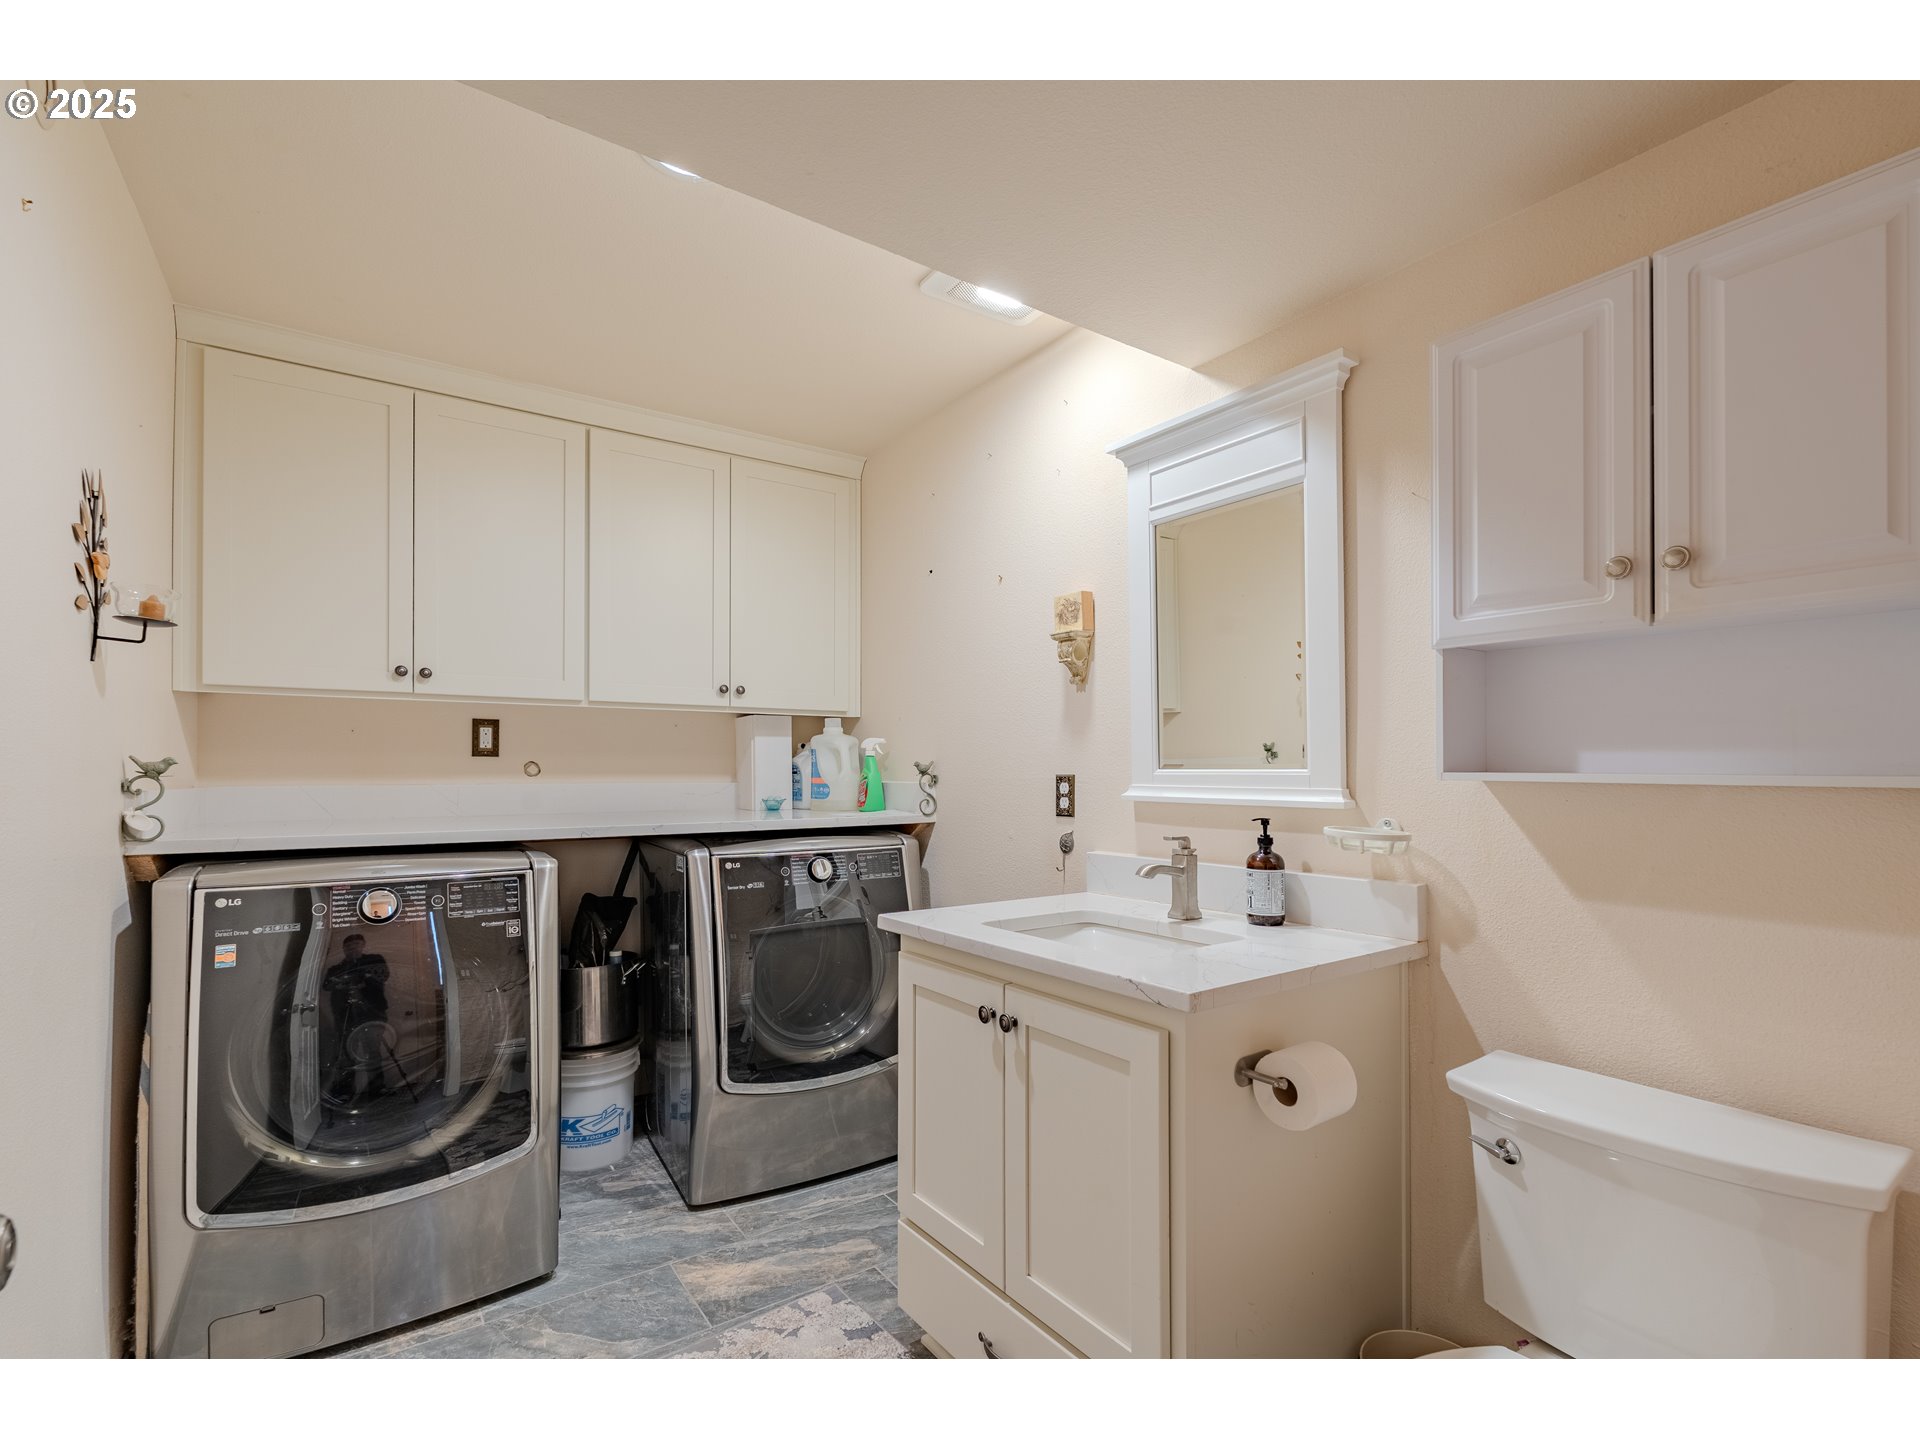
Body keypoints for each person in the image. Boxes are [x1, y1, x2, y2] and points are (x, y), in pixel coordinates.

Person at [323, 933, 392, 1104]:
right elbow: (327, 985)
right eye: (348, 946)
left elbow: (383, 976)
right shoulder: (336, 969)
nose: (352, 948)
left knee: (373, 1051)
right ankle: (346, 1090)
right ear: (344, 949)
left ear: (363, 945)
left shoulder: (374, 960)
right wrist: (345, 980)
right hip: (346, 1015)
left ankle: (377, 1088)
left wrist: (362, 976)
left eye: (356, 944)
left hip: (372, 1013)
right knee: (346, 1053)